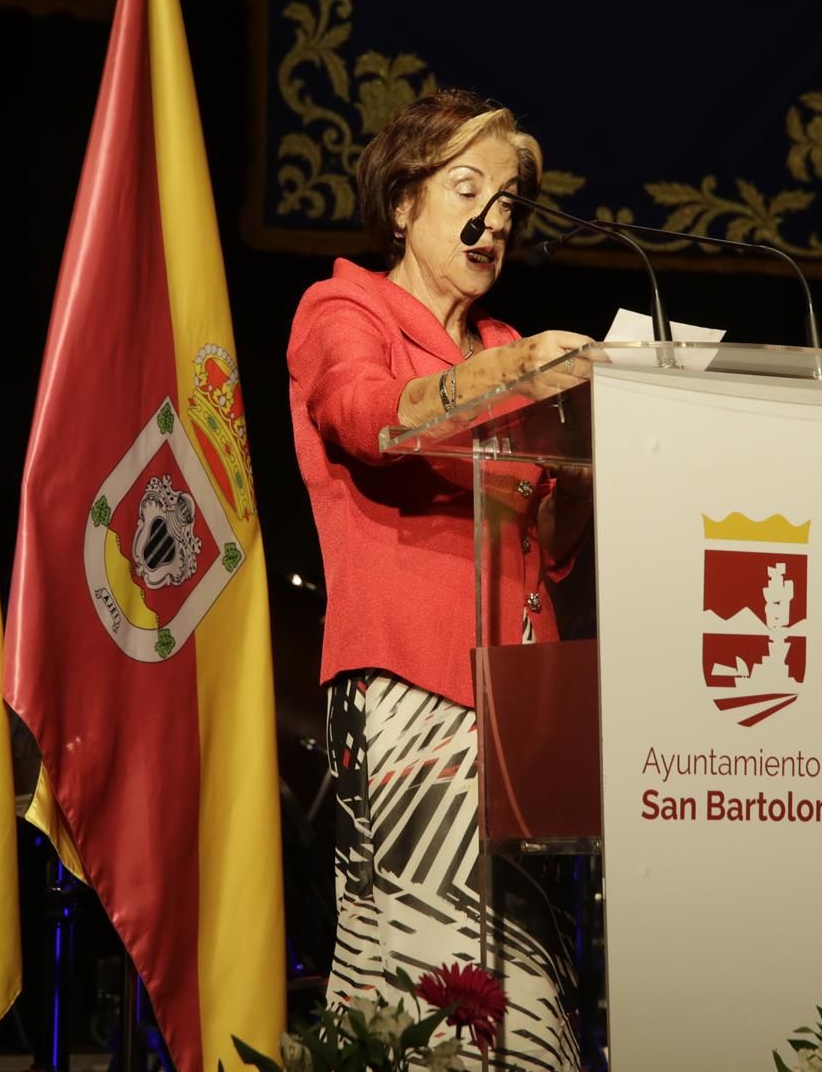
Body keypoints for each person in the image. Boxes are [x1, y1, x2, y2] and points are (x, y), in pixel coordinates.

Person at [287, 88, 591, 1070]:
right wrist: (504, 386)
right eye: (469, 188)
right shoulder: (346, 305)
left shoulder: (506, 345)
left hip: (522, 705)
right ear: (405, 201)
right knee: (444, 984)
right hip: (411, 684)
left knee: (510, 968)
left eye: (507, 202)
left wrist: (596, 452)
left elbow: (549, 542)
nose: (493, 219)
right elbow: (365, 416)